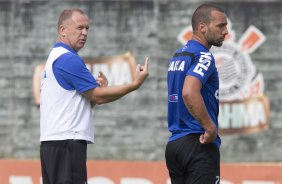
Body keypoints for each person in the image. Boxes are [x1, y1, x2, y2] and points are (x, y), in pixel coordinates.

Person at [40, 8, 149, 184]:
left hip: (53, 144)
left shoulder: (54, 57)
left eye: (87, 28)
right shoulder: (68, 59)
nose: (84, 33)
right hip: (67, 143)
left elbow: (83, 101)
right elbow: (98, 96)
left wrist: (96, 96)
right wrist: (134, 84)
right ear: (62, 30)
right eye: (79, 27)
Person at [166, 3, 228, 184]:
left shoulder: (178, 56)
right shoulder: (203, 56)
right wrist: (210, 128)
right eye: (220, 26)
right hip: (198, 143)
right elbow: (188, 92)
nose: (226, 32)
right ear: (202, 27)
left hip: (175, 145)